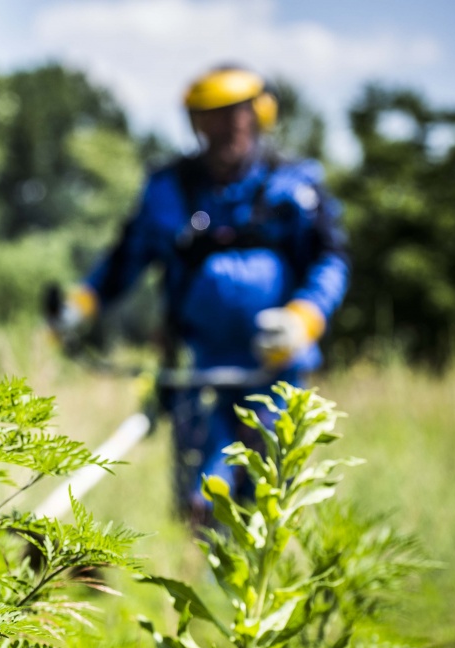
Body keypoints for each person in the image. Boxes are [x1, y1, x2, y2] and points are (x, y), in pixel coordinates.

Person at [48, 65, 349, 527]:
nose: (228, 126)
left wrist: (306, 317)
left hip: (276, 372)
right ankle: (201, 567)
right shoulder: (168, 190)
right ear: (194, 122)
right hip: (197, 373)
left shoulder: (294, 184)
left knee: (271, 504)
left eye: (237, 112)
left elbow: (331, 260)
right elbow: (125, 259)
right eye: (213, 115)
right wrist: (82, 305)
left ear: (260, 113)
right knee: (202, 504)